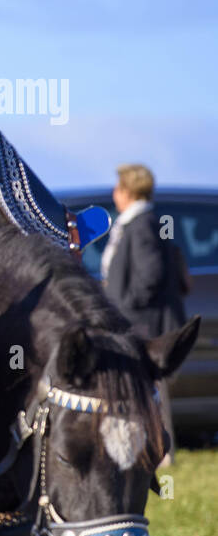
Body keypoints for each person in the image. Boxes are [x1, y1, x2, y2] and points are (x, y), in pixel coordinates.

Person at [102, 163, 187, 464]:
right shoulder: (140, 223)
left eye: (117, 187)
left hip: (143, 323)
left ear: (127, 191)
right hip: (141, 320)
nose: (114, 193)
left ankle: (161, 453)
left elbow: (149, 276)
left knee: (151, 389)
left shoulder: (142, 226)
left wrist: (121, 305)